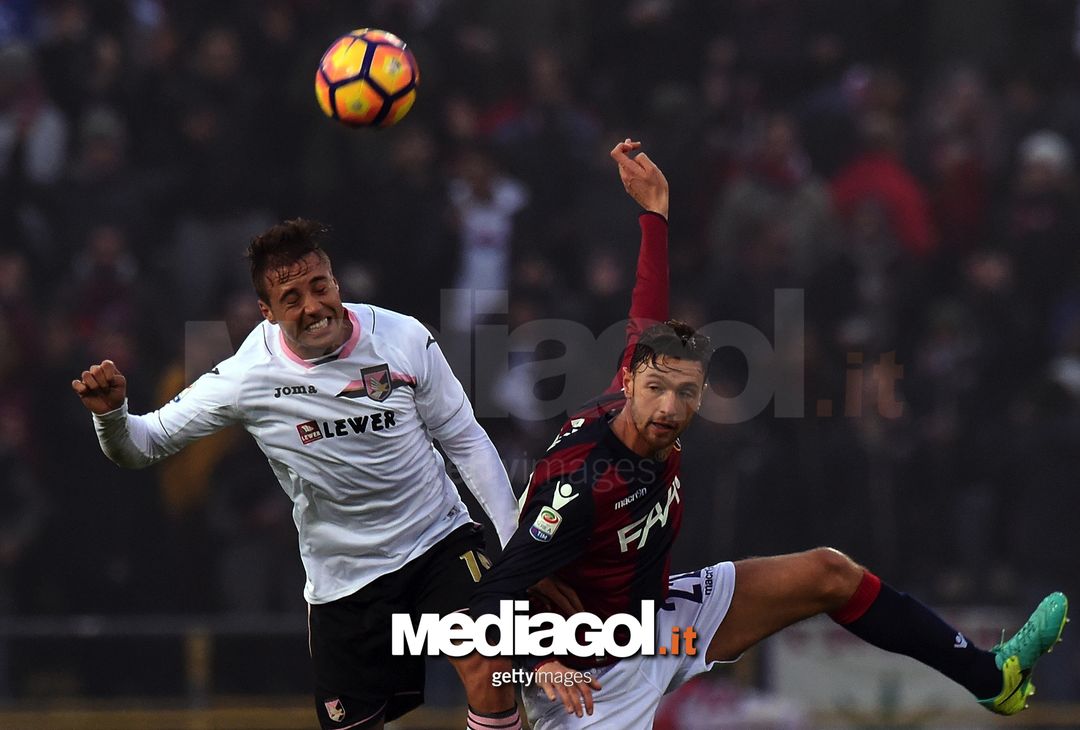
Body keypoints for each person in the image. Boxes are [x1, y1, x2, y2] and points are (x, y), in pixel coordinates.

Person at [470, 140, 1068, 728]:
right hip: (594, 674)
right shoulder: (580, 482)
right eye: (657, 389)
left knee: (828, 572)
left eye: (687, 393)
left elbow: (647, 307)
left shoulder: (646, 372)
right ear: (629, 384)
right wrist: (537, 662)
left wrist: (655, 214)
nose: (670, 406)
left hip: (658, 617)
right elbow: (489, 599)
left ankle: (995, 677)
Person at [72, 219, 533, 730]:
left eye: (320, 287)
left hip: (437, 540)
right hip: (344, 578)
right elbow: (142, 445)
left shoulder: (402, 337)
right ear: (267, 313)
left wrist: (516, 549)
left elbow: (465, 439)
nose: (313, 306)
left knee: (491, 666)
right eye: (291, 298)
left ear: (336, 283)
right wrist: (110, 416)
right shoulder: (248, 377)